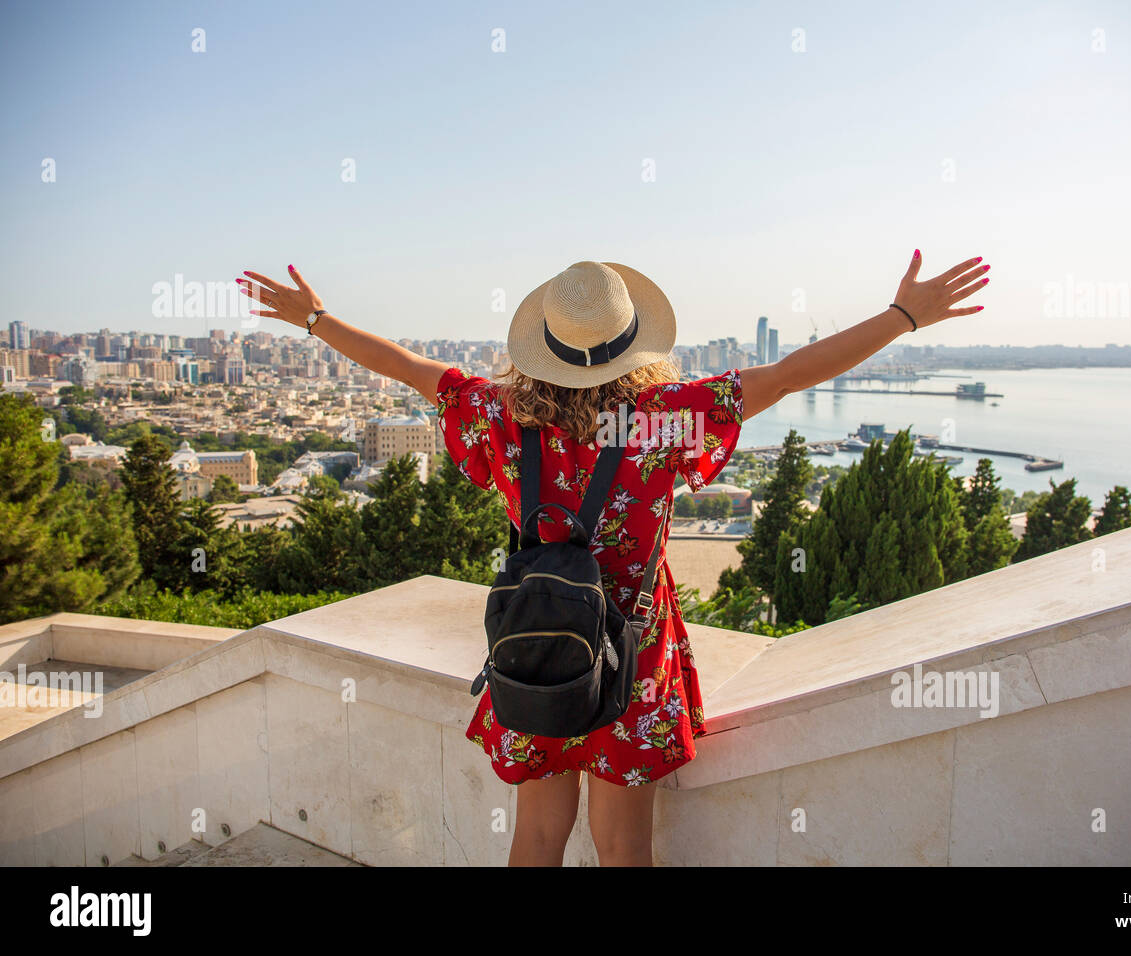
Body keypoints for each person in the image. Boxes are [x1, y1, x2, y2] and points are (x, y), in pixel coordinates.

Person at [237, 250, 989, 866]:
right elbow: (791, 375)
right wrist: (904, 316)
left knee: (535, 836)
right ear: (634, 345)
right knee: (624, 845)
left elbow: (404, 368)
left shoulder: (496, 417)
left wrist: (314, 318)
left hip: (537, 645)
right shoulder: (667, 421)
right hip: (633, 655)